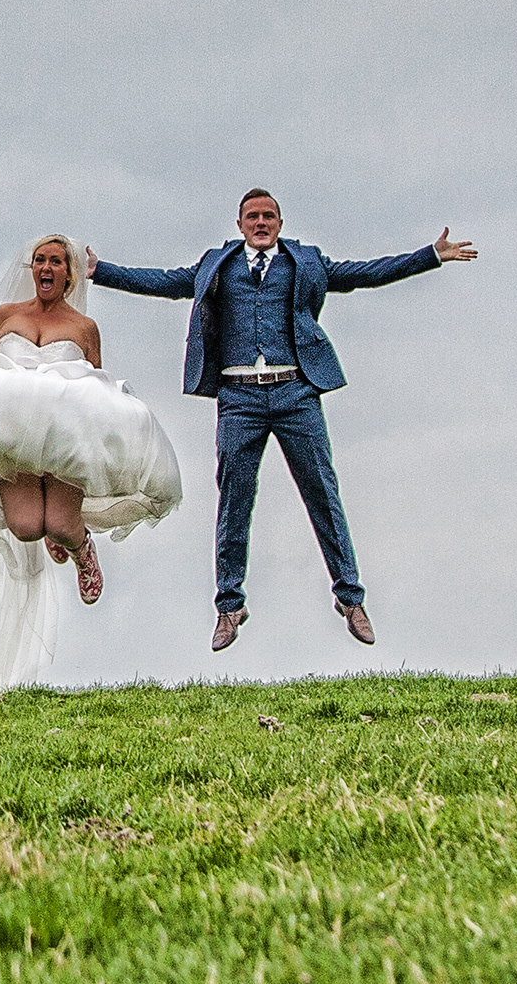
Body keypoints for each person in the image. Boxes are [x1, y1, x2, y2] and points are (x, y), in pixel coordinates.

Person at [91, 191, 476, 652]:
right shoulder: (218, 264)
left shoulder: (306, 261)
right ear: (239, 224)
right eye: (252, 216)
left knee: (322, 491)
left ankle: (350, 599)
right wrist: (100, 271)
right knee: (234, 496)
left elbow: (364, 273)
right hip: (238, 396)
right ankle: (229, 607)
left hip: (295, 390)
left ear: (279, 222)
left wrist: (430, 256)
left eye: (268, 216)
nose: (260, 222)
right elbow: (165, 282)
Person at [0, 237, 185, 691]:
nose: (46, 268)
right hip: (17, 444)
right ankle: (47, 522)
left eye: (56, 262)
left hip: (62, 446)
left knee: (59, 525)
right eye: (39, 260)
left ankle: (82, 548)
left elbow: (94, 387)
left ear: (69, 274)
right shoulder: (6, 316)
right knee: (24, 527)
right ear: (32, 268)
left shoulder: (84, 327)